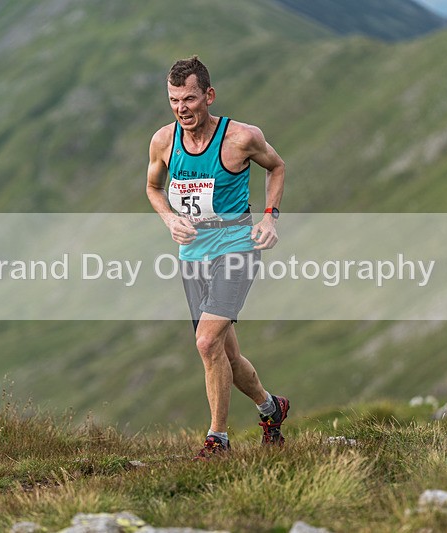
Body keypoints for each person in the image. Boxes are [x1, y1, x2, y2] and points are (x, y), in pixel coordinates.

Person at [145, 55, 289, 459]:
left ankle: (218, 439)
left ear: (208, 96)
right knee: (225, 353)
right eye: (174, 100)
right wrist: (169, 219)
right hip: (192, 253)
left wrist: (270, 219)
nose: (181, 108)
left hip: (237, 246)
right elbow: (153, 187)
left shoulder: (241, 137)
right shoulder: (163, 141)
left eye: (189, 98)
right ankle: (270, 407)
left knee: (206, 342)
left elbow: (276, 167)